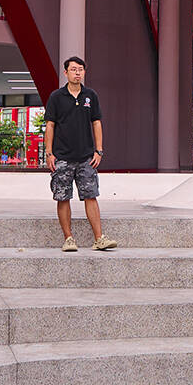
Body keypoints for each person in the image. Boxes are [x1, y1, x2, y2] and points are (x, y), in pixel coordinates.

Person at [44, 55, 117, 251]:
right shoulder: (56, 97)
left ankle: (99, 238)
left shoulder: (90, 96)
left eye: (80, 70)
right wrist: (49, 153)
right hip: (62, 157)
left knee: (91, 195)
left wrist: (99, 151)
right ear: (66, 72)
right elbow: (50, 125)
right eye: (73, 70)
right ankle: (68, 239)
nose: (77, 73)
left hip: (86, 158)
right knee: (63, 197)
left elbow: (96, 123)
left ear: (84, 72)